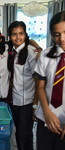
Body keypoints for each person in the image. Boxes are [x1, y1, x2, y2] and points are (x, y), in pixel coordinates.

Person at [34, 11, 65, 150]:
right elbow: (40, 86)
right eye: (57, 35)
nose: (62, 39)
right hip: (45, 118)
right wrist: (46, 112)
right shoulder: (46, 55)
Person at [7, 21, 38, 150]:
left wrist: (35, 105)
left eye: (21, 34)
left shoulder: (31, 53)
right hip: (13, 100)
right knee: (19, 133)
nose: (18, 37)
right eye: (14, 34)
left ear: (25, 35)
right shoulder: (10, 51)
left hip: (26, 102)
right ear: (10, 36)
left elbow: (38, 81)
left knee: (23, 134)